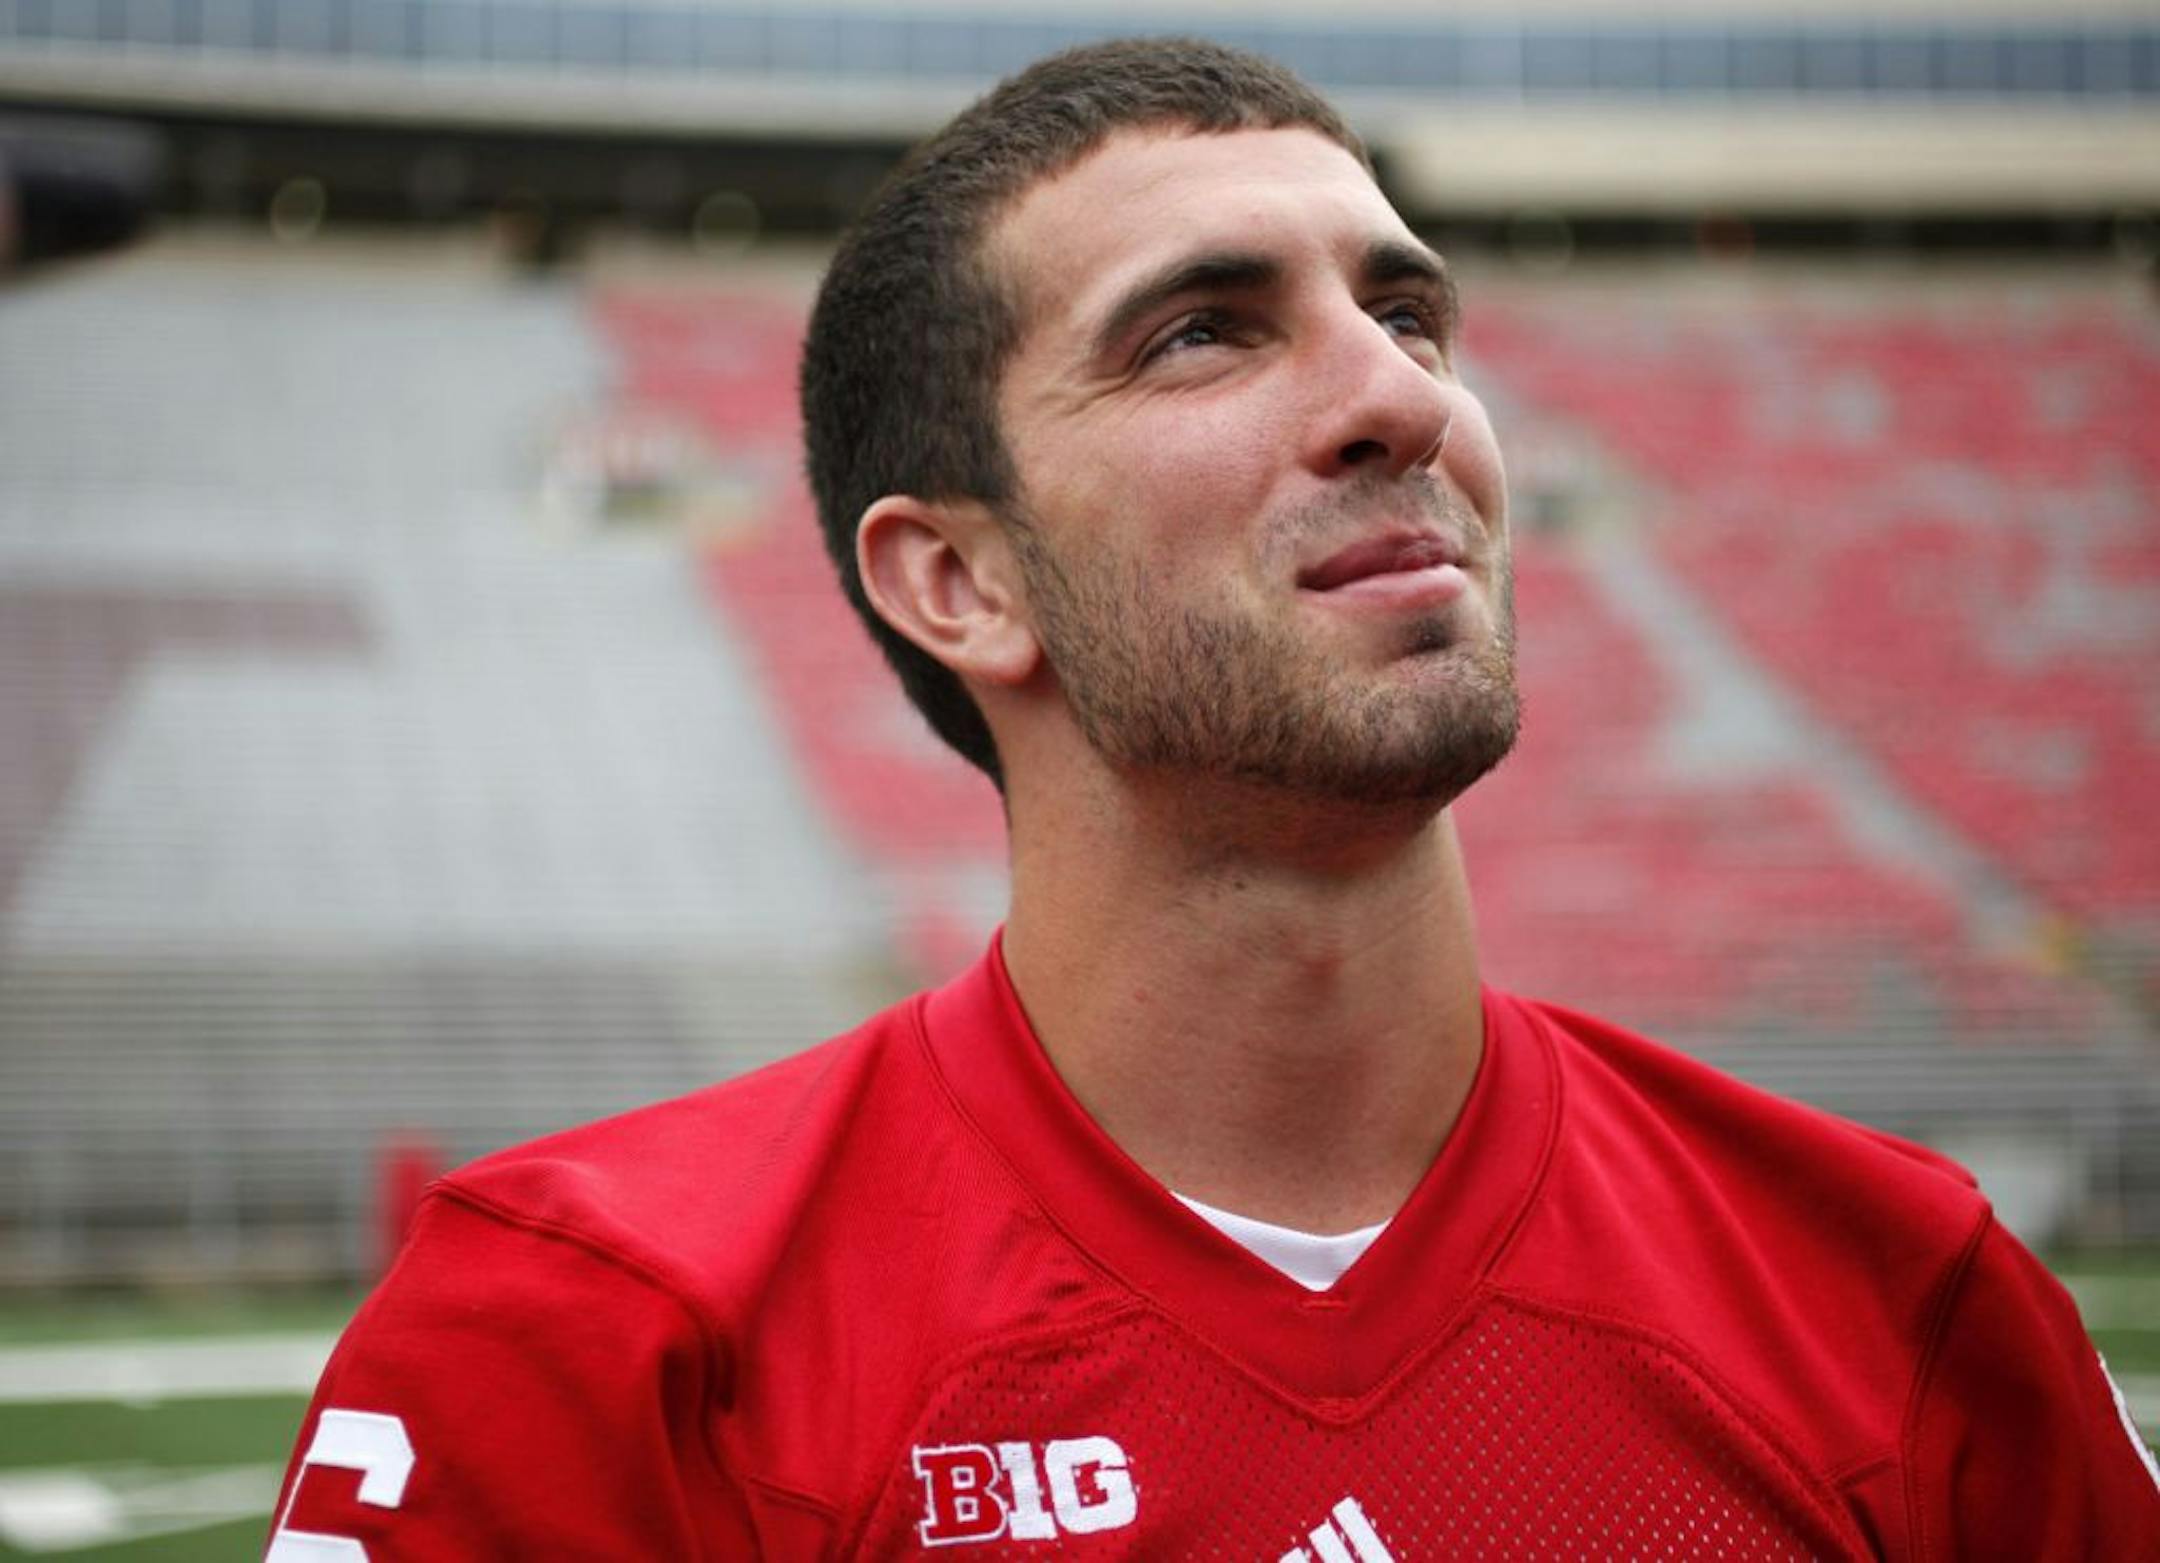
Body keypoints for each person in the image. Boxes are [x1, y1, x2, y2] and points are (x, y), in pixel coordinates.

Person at [269, 38, 2160, 1560]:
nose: (1399, 399)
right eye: (1201, 331)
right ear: (961, 582)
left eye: (1410, 316)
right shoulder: (592, 1349)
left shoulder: (1909, 1304)